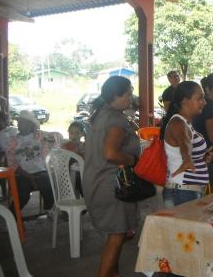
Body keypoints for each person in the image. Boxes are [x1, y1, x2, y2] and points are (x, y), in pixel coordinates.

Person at [83, 76, 141, 277]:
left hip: (94, 179)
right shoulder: (116, 119)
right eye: (128, 93)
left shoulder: (100, 114)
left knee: (116, 232)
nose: (131, 97)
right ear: (117, 95)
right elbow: (110, 154)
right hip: (111, 183)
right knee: (117, 234)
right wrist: (132, 160)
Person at [160, 81, 213, 207]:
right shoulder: (178, 123)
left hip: (187, 191)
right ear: (184, 100)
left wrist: (202, 158)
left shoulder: (185, 122)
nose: (204, 102)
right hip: (182, 192)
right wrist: (187, 157)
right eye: (200, 98)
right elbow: (184, 143)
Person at [5, 110, 58, 213]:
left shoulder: (39, 136)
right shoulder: (14, 140)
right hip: (22, 173)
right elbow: (12, 163)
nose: (19, 124)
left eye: (22, 122)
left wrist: (50, 141)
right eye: (18, 122)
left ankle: (48, 207)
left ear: (31, 125)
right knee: (23, 194)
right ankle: (11, 215)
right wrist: (29, 176)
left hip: (40, 170)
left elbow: (55, 137)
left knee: (46, 183)